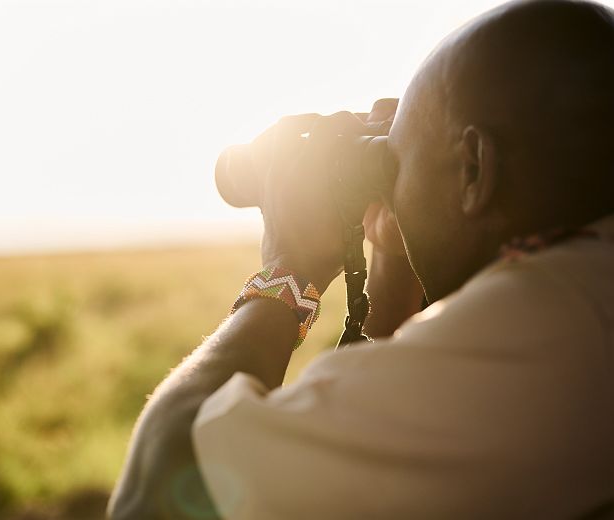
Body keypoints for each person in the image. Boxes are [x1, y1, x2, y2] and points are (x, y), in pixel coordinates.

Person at [107, 0, 614, 518]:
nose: (388, 177)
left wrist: (286, 269)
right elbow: (399, 458)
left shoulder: (555, 318)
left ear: (472, 169)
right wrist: (396, 274)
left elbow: (158, 487)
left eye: (393, 158)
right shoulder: (586, 281)